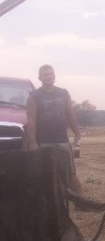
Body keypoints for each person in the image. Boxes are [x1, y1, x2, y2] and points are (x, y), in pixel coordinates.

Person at [26, 64, 82, 194]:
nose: (49, 76)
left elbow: (70, 115)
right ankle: (47, 204)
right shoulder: (33, 96)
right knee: (44, 174)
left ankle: (81, 204)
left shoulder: (63, 93)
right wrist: (32, 142)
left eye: (51, 74)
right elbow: (31, 120)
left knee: (70, 173)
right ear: (40, 77)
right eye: (45, 74)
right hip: (44, 142)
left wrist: (77, 132)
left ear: (54, 76)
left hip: (62, 140)